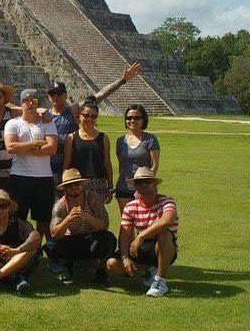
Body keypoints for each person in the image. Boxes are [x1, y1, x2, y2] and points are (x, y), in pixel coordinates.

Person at [47, 62, 142, 190]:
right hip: (47, 169)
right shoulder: (43, 114)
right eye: (52, 93)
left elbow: (100, 95)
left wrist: (122, 80)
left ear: (65, 95)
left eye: (59, 93)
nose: (56, 96)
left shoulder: (74, 111)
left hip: (71, 170)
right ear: (48, 96)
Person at [106, 167, 178, 297]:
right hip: (142, 247)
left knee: (163, 233)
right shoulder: (131, 206)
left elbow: (167, 220)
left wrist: (141, 236)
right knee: (112, 264)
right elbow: (125, 234)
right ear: (135, 186)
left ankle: (160, 282)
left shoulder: (167, 201)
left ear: (154, 183)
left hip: (163, 245)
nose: (143, 184)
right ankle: (150, 269)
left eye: (147, 181)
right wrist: (125, 257)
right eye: (139, 182)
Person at [4, 89, 59, 242]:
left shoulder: (47, 122)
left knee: (43, 219)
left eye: (34, 101)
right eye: (26, 101)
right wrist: (34, 144)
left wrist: (24, 148)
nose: (30, 104)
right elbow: (10, 148)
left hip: (43, 177)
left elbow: (52, 148)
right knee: (17, 216)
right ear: (21, 103)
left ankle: (37, 247)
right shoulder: (13, 123)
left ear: (38, 103)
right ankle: (19, 245)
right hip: (20, 176)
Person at [45, 168, 116, 285]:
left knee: (109, 238)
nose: (74, 187)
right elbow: (54, 234)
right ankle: (68, 267)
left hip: (90, 238)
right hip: (71, 240)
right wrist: (68, 219)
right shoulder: (60, 205)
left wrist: (86, 216)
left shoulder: (93, 198)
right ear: (64, 188)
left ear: (82, 185)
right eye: (69, 185)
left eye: (77, 184)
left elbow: (104, 225)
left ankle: (100, 270)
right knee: (50, 246)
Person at [62, 98, 114, 203]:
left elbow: (107, 163)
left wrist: (110, 187)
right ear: (80, 115)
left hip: (98, 184)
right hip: (77, 183)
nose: (89, 119)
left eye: (93, 116)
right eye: (86, 115)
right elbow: (66, 164)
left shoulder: (103, 138)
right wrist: (65, 185)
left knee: (98, 216)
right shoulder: (71, 138)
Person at [116, 104, 161, 214]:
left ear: (143, 120)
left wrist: (146, 185)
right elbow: (121, 166)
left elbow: (154, 165)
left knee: (146, 224)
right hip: (124, 188)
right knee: (126, 224)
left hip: (145, 188)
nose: (132, 120)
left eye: (136, 118)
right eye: (129, 118)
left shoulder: (150, 139)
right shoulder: (121, 141)